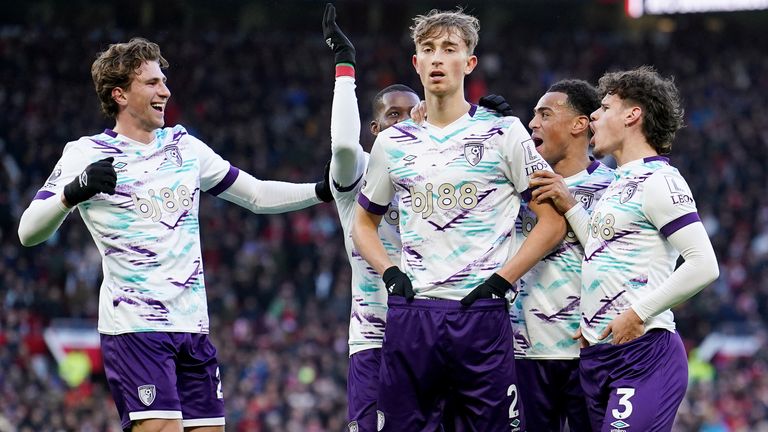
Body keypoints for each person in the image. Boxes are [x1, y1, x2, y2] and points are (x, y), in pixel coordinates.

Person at [17, 37, 333, 432]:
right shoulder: (86, 153)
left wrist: (319, 191)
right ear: (119, 94)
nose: (164, 90)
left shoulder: (185, 147)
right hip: (136, 329)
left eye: (163, 81)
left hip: (193, 327)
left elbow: (254, 194)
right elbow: (28, 232)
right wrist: (72, 191)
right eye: (151, 83)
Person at [351, 8, 566, 431]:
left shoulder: (504, 133)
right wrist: (391, 273)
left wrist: (501, 281)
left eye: (449, 49)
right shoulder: (393, 143)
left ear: (468, 63)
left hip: (482, 315)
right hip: (414, 313)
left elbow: (553, 222)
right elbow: (363, 222)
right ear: (415, 62)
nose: (436, 59)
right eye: (427, 49)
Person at [531, 66, 719, 431]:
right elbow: (602, 250)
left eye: (604, 108)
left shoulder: (660, 180)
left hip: (644, 353)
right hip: (601, 356)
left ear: (633, 115)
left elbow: (703, 264)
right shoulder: (619, 181)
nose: (595, 118)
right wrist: (571, 206)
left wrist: (637, 312)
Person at [322, 5, 420, 432]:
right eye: (392, 114)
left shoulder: (442, 172)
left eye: (412, 114)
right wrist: (346, 65)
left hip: (434, 336)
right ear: (376, 129)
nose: (403, 121)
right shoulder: (358, 170)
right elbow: (343, 145)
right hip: (374, 341)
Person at [511, 79, 613, 431]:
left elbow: (617, 263)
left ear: (579, 124)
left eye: (544, 114)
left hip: (587, 351)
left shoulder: (614, 187)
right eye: (533, 115)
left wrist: (570, 206)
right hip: (523, 352)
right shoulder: (515, 190)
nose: (532, 123)